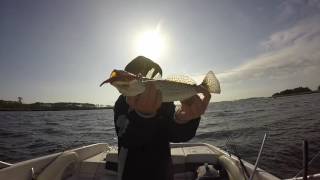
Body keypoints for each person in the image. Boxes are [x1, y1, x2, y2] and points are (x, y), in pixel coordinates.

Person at [113, 56, 211, 180]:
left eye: (156, 78)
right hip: (131, 173)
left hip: (164, 172)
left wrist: (185, 119)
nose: (152, 84)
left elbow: (175, 134)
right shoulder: (122, 103)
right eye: (142, 77)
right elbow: (126, 139)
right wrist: (143, 115)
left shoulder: (165, 101)